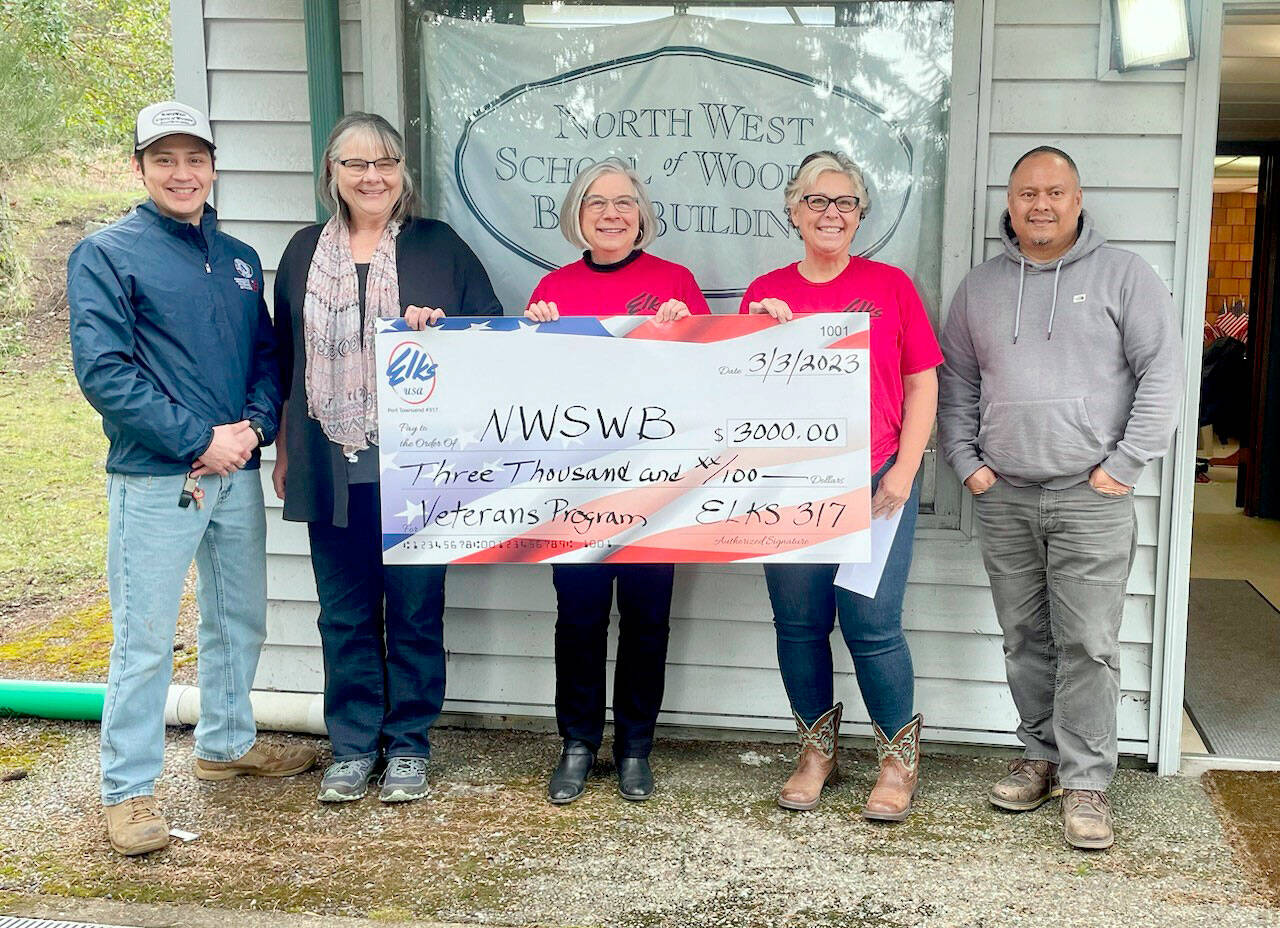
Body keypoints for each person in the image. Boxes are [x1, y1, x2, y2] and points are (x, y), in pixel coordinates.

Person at [68, 101, 317, 856]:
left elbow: (267, 358)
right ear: (140, 168)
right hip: (157, 477)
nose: (183, 174)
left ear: (213, 167)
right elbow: (104, 371)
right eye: (165, 160)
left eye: (196, 159)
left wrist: (250, 431)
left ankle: (224, 744)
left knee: (237, 618)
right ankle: (128, 790)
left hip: (233, 471)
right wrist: (196, 440)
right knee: (144, 640)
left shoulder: (238, 257)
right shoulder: (107, 253)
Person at [937, 146, 1182, 850]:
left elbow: (1161, 374)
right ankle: (1039, 756)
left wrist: (1123, 465)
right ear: (1009, 203)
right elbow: (957, 386)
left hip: (1090, 496)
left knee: (1088, 643)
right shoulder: (981, 288)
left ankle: (1087, 784)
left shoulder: (1123, 275)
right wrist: (968, 465)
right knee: (1025, 640)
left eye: (1054, 192)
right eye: (1026, 193)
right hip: (1005, 495)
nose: (1039, 205)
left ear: (1078, 200)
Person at [272, 112, 501, 804]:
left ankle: (408, 744)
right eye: (355, 164)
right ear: (331, 174)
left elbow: (491, 337)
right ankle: (351, 745)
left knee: (414, 611)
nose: (372, 177)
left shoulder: (439, 247)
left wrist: (444, 334)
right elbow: (286, 361)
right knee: (342, 613)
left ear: (402, 173)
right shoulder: (303, 251)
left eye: (385, 164)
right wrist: (284, 450)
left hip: (417, 470)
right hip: (327, 463)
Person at [740, 150, 941, 822]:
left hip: (877, 479)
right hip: (788, 487)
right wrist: (754, 338)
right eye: (817, 201)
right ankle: (817, 752)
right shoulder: (766, 292)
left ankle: (896, 761)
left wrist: (905, 472)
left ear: (860, 215)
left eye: (845, 202)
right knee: (798, 626)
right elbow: (733, 390)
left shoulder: (890, 286)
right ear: (793, 212)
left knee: (872, 624)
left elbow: (922, 382)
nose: (832, 213)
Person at [524, 157, 711, 804]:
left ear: (642, 216)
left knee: (646, 619)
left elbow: (705, 382)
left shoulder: (674, 283)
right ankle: (577, 743)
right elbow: (529, 396)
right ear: (578, 216)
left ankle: (634, 746)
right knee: (576, 618)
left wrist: (682, 331)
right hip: (576, 488)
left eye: (624, 202)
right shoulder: (553, 290)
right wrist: (534, 334)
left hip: (655, 485)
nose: (611, 213)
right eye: (597, 202)